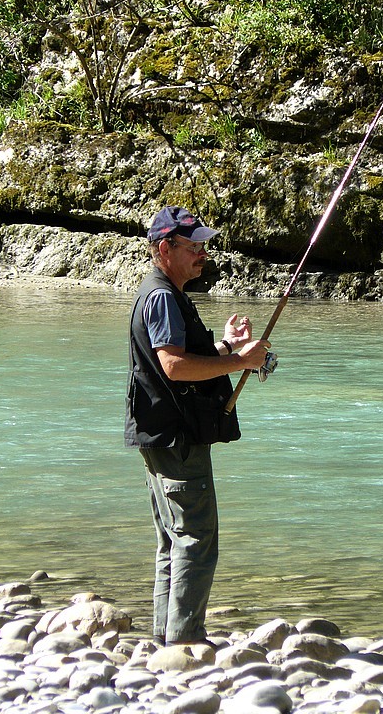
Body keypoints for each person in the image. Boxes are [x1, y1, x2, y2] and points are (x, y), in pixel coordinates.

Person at [124, 205, 271, 646]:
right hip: (176, 436)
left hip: (159, 433)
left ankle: (166, 636)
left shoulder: (165, 292)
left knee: (173, 540)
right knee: (196, 538)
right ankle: (186, 638)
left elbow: (175, 356)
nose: (203, 254)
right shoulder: (163, 296)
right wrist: (240, 361)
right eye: (194, 246)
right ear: (165, 248)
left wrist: (227, 345)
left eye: (204, 246)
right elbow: (173, 366)